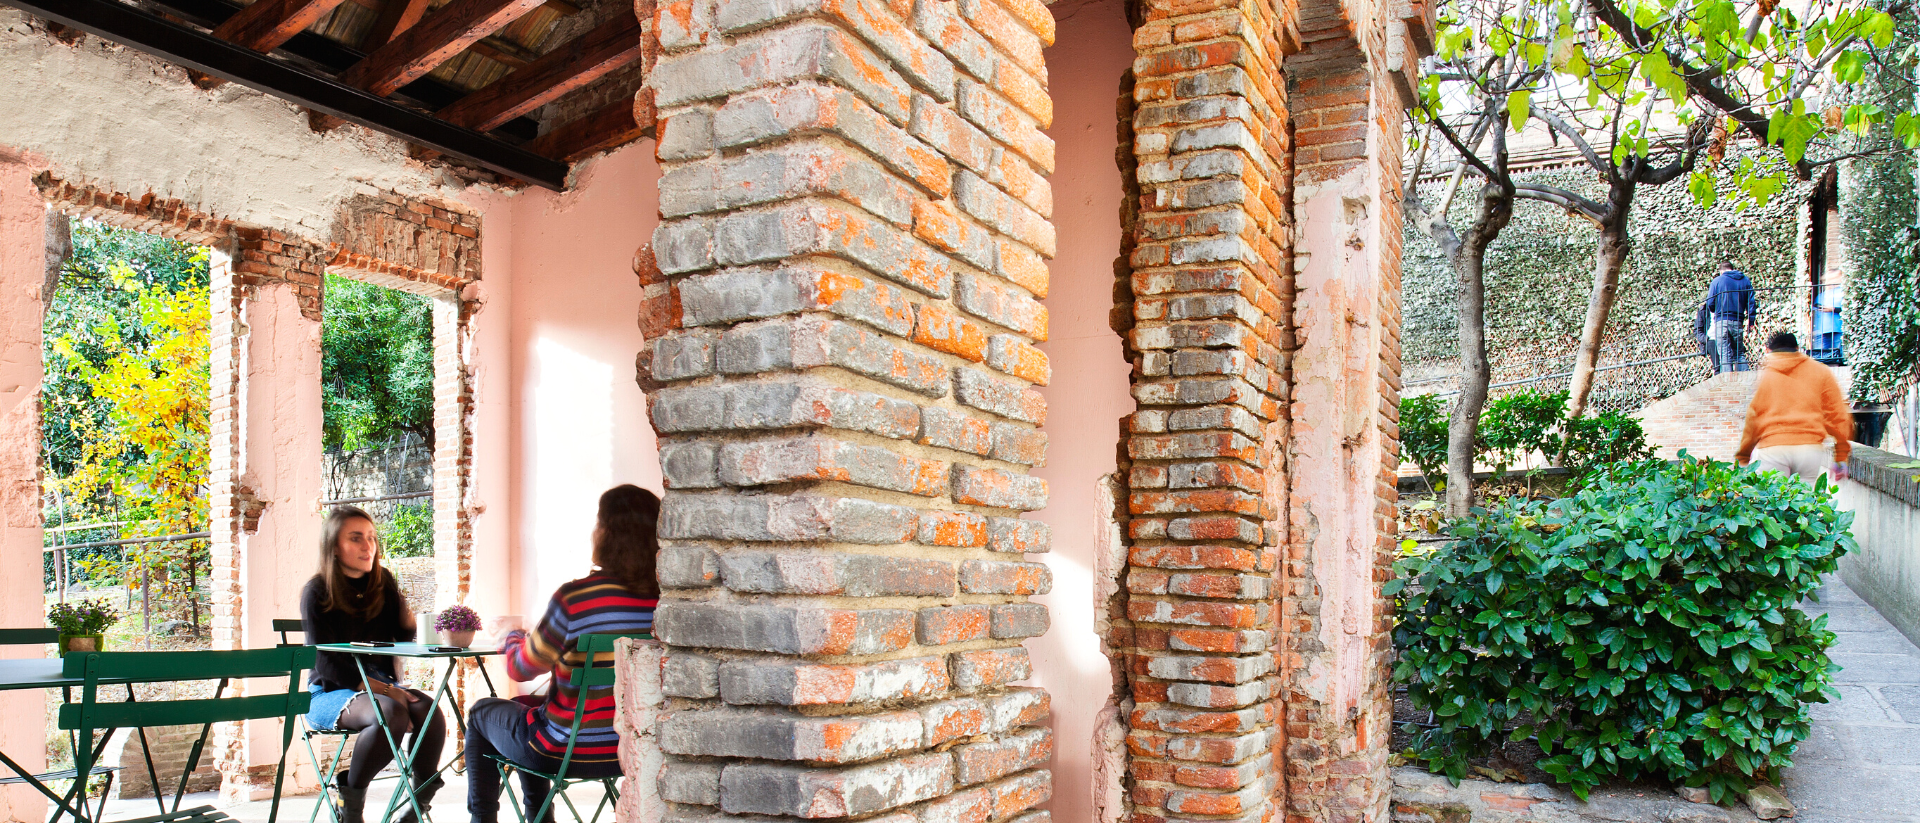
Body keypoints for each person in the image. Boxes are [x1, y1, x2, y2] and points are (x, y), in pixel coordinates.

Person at [466, 485, 661, 823]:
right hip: (630, 751)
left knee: (482, 713)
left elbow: (520, 668)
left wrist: (510, 635)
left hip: (562, 751)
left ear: (607, 533)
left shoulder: (576, 598)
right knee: (526, 712)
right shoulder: (665, 601)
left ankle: (482, 819)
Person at [302, 507, 448, 823]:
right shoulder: (317, 591)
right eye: (356, 539)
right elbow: (325, 663)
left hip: (380, 689)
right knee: (390, 713)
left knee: (429, 710)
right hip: (328, 693)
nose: (368, 546)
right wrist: (385, 690)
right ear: (334, 546)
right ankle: (350, 806)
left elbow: (404, 637)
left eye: (371, 538)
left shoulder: (383, 584)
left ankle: (417, 804)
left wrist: (407, 616)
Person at [1736, 332, 1853, 482]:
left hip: (1773, 448)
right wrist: (1841, 454)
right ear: (1798, 348)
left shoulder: (1766, 376)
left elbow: (1754, 417)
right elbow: (1837, 414)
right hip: (1809, 448)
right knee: (1805, 502)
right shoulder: (1821, 371)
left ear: (1769, 351)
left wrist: (1743, 455)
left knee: (1772, 501)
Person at [1706, 259, 1757, 372]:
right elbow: (1751, 302)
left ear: (1721, 271)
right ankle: (1746, 381)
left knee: (1725, 355)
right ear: (1732, 268)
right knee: (1739, 353)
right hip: (1738, 320)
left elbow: (1710, 303)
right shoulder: (1745, 281)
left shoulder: (1717, 281)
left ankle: (1728, 384)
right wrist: (1751, 320)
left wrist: (1716, 310)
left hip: (1721, 320)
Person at [1811, 281, 1844, 363]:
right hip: (1823, 329)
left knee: (1837, 354)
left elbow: (1846, 309)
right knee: (1824, 356)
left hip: (1838, 328)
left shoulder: (1841, 292)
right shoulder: (1822, 295)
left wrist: (1833, 309)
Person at [1693, 296, 1721, 373]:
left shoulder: (1723, 308)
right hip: (1711, 340)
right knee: (1718, 366)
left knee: (1729, 364)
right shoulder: (1703, 311)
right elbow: (1697, 330)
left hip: (1724, 337)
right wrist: (1706, 339)